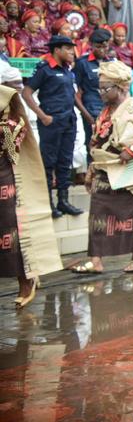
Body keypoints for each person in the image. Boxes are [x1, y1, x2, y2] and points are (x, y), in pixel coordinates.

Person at [72, 62, 133, 275]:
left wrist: (131, 149)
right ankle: (96, 260)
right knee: (98, 212)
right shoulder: (105, 111)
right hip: (107, 166)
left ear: (120, 88)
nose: (101, 92)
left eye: (106, 88)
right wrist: (92, 168)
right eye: (100, 88)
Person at [0, 78, 62, 308]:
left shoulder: (13, 124)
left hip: (7, 182)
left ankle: (26, 281)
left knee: (13, 236)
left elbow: (11, 151)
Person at [21, 35, 84, 218]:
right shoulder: (45, 69)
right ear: (57, 50)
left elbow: (71, 95)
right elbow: (26, 93)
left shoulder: (67, 69)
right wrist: (42, 116)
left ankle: (63, 201)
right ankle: (48, 203)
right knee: (48, 163)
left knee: (65, 162)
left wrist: (85, 114)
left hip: (68, 121)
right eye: (68, 48)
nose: (72, 52)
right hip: (51, 121)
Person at [73, 28, 114, 153]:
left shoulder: (111, 63)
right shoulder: (82, 63)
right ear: (91, 46)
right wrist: (87, 116)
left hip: (111, 112)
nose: (101, 49)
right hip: (92, 111)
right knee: (94, 148)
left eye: (104, 46)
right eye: (98, 46)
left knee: (111, 147)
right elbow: (74, 92)